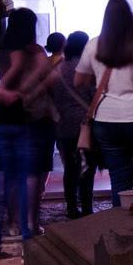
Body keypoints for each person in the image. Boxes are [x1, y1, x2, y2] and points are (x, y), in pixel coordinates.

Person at [75, 0, 133, 206]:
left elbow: (78, 79)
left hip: (108, 121)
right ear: (128, 17)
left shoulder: (94, 45)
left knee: (119, 179)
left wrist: (97, 77)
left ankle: (121, 225)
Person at [0, 8, 56, 258]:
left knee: (9, 176)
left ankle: (11, 224)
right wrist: (24, 94)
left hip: (5, 116)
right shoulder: (33, 51)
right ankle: (30, 226)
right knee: (32, 174)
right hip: (31, 117)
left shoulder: (1, 51)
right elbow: (47, 78)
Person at [49, 31, 94, 218]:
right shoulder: (86, 69)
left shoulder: (57, 68)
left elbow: (51, 94)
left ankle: (71, 206)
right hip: (84, 125)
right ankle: (87, 206)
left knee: (70, 167)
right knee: (86, 167)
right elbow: (94, 94)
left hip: (63, 124)